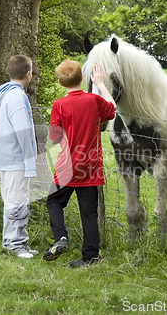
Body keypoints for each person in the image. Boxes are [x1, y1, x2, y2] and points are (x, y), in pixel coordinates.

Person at [42, 59, 116, 268]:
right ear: (82, 78)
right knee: (89, 213)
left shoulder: (59, 105)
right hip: (90, 166)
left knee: (54, 202)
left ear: (60, 82)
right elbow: (112, 109)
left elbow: (55, 137)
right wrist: (100, 84)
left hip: (67, 166)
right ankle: (90, 257)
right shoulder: (93, 100)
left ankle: (61, 238)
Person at [0, 55, 38, 259]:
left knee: (16, 200)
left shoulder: (8, 95)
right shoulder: (18, 97)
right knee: (17, 202)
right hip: (15, 159)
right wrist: (30, 162)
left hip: (5, 157)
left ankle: (18, 241)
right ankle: (14, 244)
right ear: (28, 74)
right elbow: (23, 132)